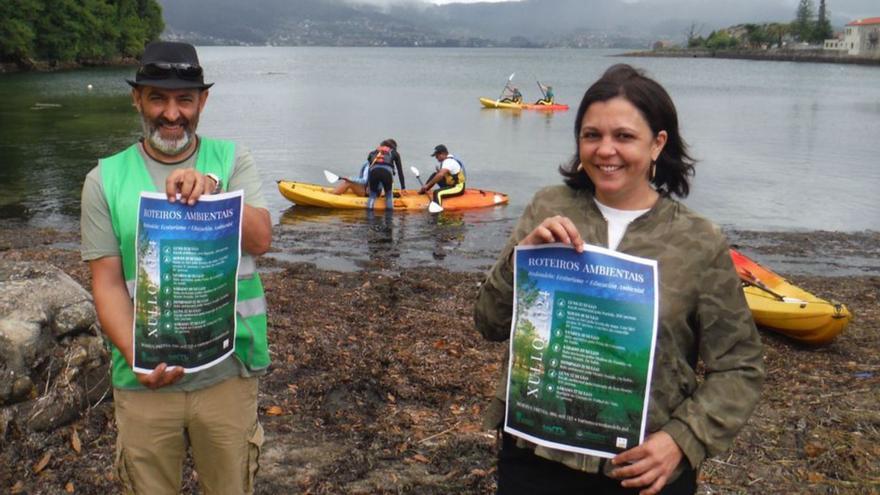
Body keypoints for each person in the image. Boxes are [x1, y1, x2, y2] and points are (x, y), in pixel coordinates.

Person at [473, 64, 764, 495]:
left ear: (657, 144)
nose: (605, 150)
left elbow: (739, 366)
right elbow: (490, 323)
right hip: (536, 457)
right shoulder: (547, 207)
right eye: (592, 135)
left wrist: (683, 440)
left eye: (624, 136)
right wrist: (525, 258)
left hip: (641, 471)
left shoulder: (698, 241)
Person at [80, 41, 272, 495]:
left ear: (202, 101)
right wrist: (135, 356)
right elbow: (106, 283)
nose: (171, 113)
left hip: (228, 376)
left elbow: (261, 239)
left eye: (184, 99)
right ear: (137, 99)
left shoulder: (232, 160)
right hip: (143, 382)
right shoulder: (104, 179)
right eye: (158, 98)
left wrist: (214, 192)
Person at [366, 138, 405, 210]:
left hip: (374, 173)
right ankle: (389, 219)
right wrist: (403, 188)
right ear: (393, 147)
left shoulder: (372, 153)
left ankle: (369, 218)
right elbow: (400, 171)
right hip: (386, 173)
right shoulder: (394, 153)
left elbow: (369, 170)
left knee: (372, 196)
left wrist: (367, 186)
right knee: (389, 196)